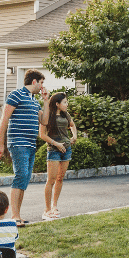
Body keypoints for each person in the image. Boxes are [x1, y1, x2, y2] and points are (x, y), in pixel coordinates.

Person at [0, 70, 48, 226]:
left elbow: (44, 121)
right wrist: (0, 143)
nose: (42, 86)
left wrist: (46, 101)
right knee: (21, 175)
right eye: (41, 83)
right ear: (34, 82)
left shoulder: (34, 100)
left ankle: (17, 215)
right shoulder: (16, 95)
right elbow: (4, 119)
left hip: (31, 143)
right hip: (18, 142)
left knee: (25, 177)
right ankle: (14, 216)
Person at [39, 92, 78, 221]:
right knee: (51, 180)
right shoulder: (48, 116)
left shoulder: (65, 115)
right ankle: (47, 209)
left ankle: (54, 206)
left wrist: (74, 136)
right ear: (57, 104)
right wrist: (56, 144)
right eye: (65, 102)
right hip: (54, 150)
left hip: (66, 150)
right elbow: (42, 135)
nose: (67, 104)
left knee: (60, 178)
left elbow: (72, 125)